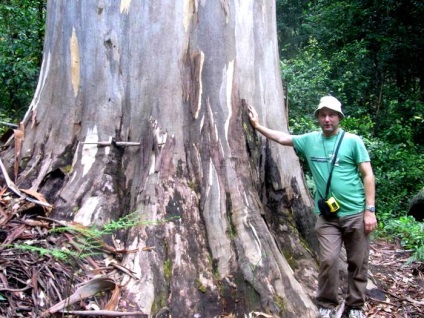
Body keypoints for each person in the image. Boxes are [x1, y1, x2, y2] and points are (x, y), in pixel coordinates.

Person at [247, 96, 377, 318]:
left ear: (339, 118)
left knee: (358, 261)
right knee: (328, 259)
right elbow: (283, 138)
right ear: (318, 117)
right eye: (323, 115)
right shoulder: (309, 140)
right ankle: (326, 303)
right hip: (328, 217)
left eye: (332, 115)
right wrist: (258, 126)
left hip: (356, 213)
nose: (327, 119)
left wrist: (369, 210)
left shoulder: (353, 141)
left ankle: (355, 306)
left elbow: (368, 175)